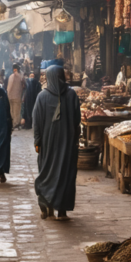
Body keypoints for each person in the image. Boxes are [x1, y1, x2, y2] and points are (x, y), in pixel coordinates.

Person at [33, 65, 80, 221]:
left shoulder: (42, 96)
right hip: (67, 143)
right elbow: (77, 120)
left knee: (47, 172)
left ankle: (46, 205)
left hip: (48, 143)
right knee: (65, 173)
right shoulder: (71, 95)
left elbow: (36, 121)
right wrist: (74, 138)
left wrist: (37, 141)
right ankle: (61, 210)